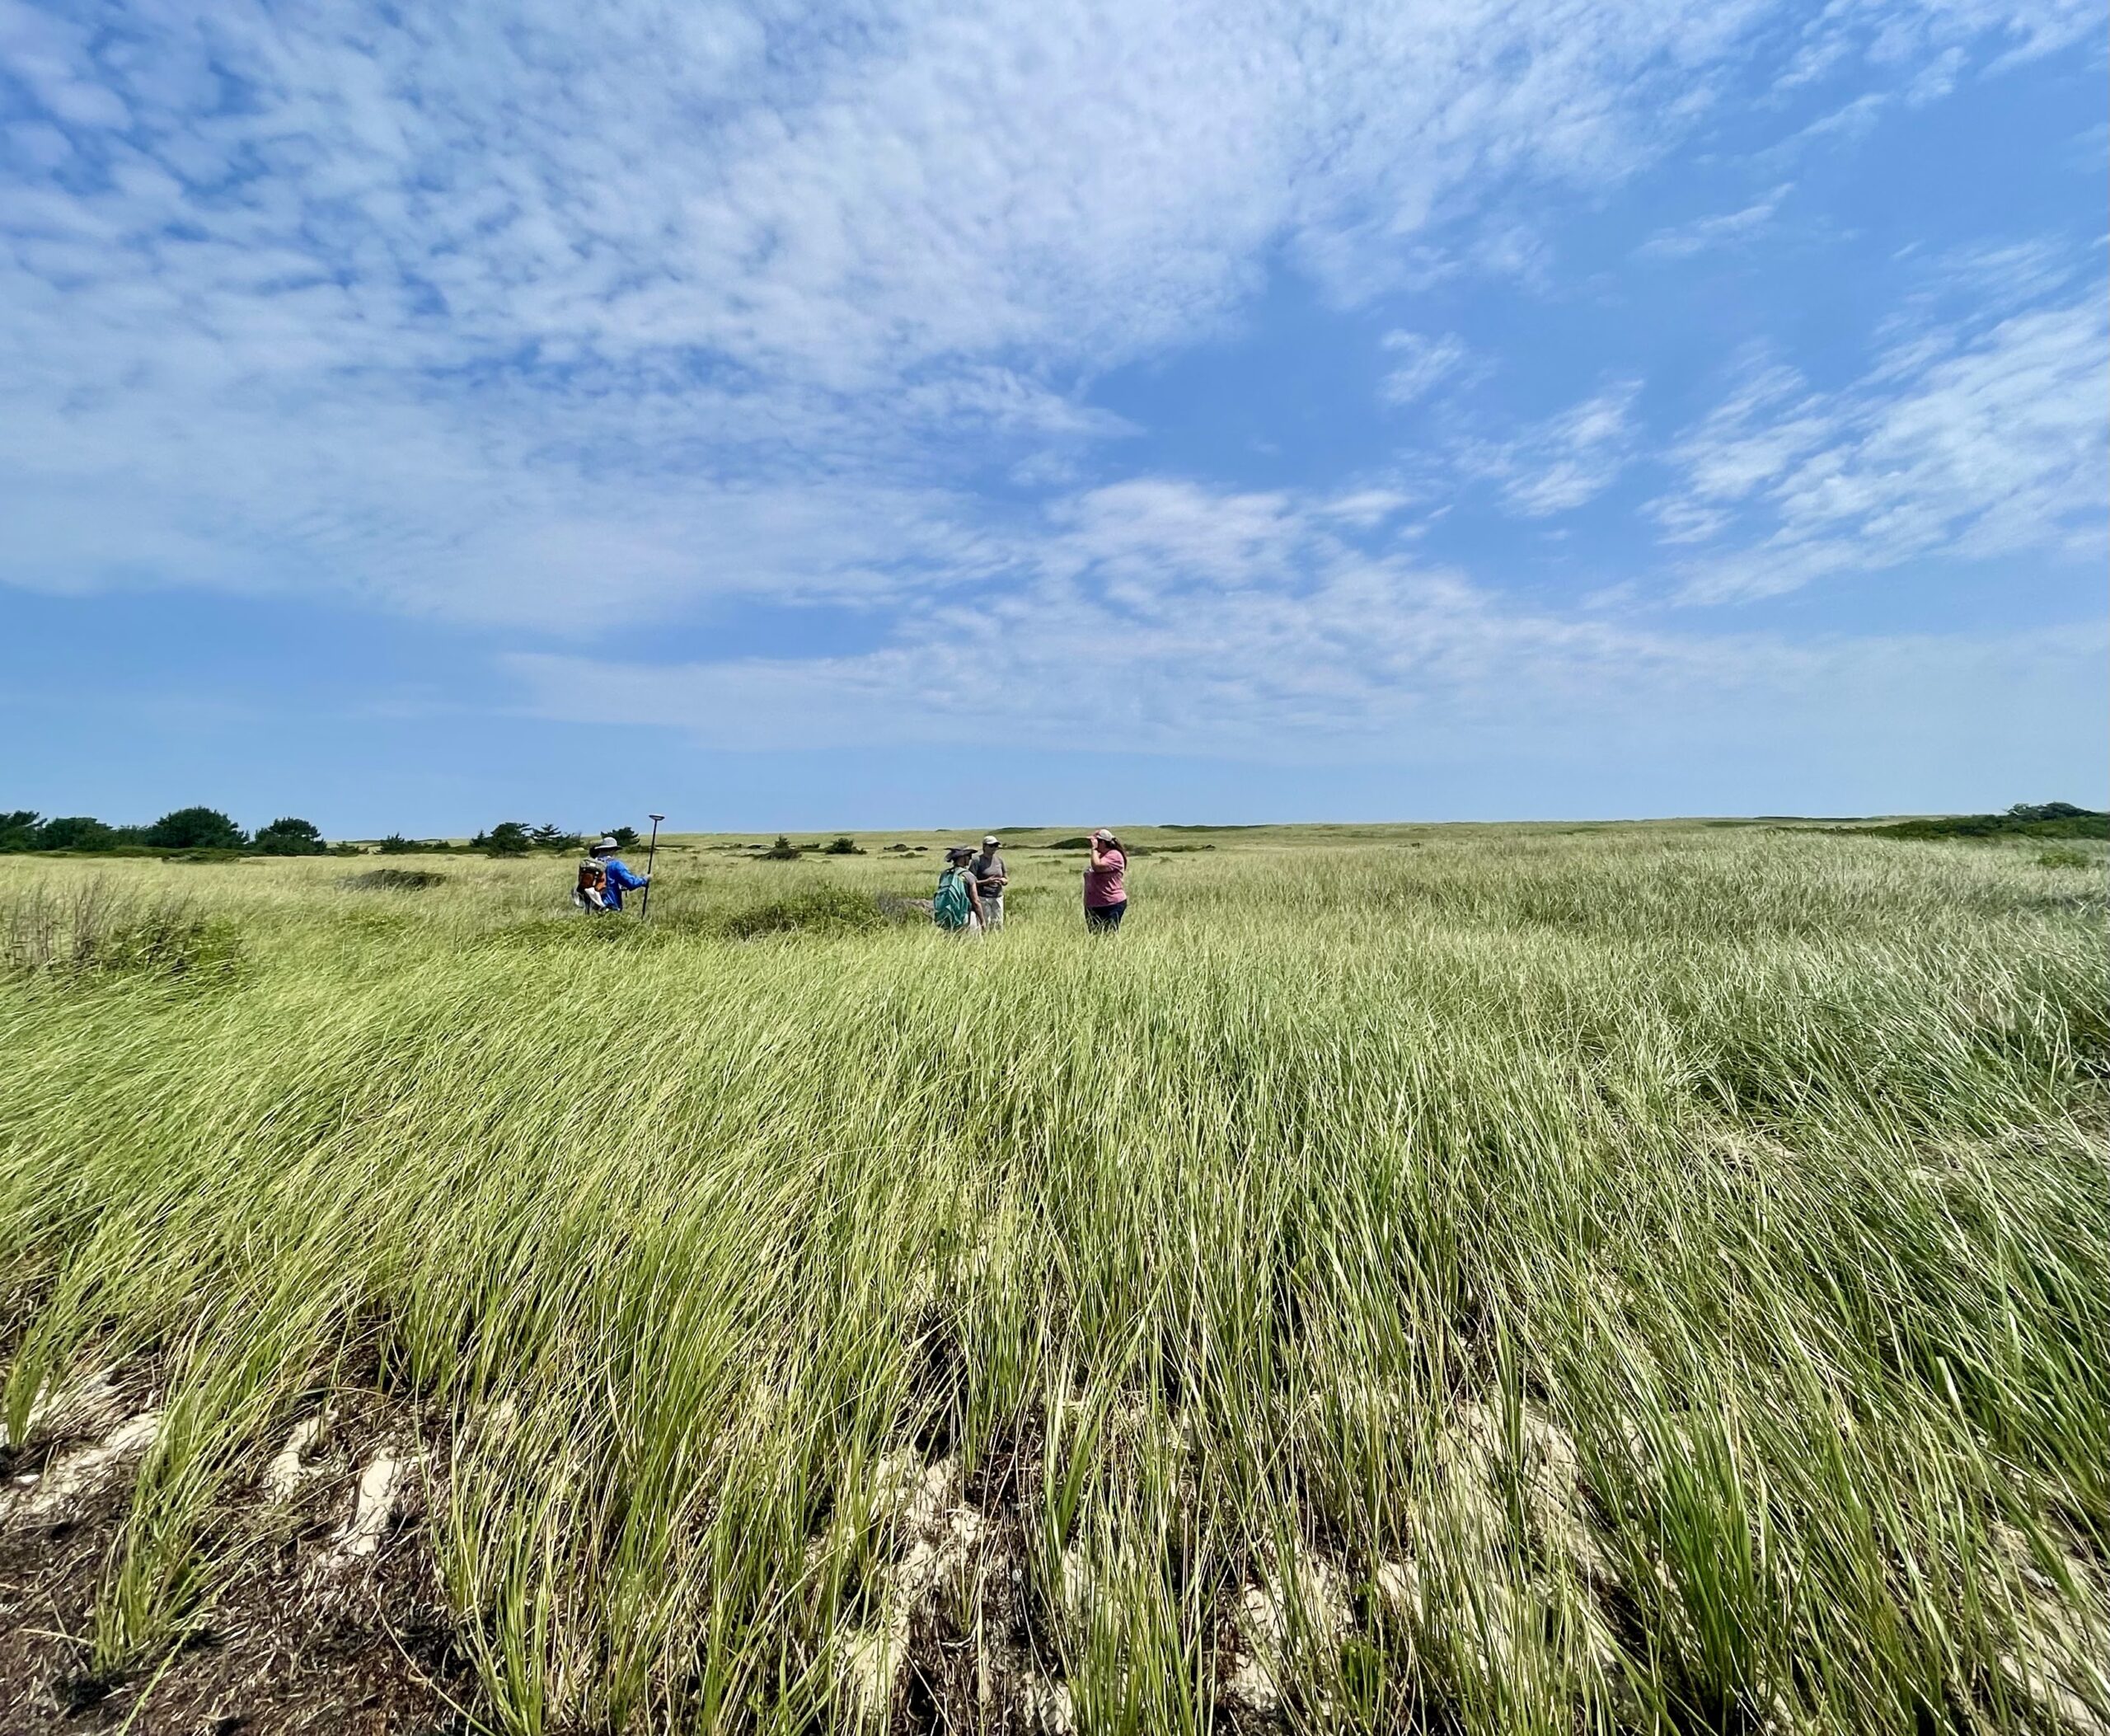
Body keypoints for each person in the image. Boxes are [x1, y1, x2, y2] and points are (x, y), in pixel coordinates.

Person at [934, 846, 986, 936]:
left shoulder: (945, 874)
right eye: (969, 855)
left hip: (949, 916)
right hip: (966, 915)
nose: (970, 858)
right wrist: (982, 921)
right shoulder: (968, 875)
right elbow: (976, 901)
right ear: (963, 857)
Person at [588, 835, 649, 912]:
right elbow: (631, 883)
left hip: (594, 906)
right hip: (610, 905)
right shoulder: (615, 865)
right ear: (613, 850)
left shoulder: (592, 864)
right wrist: (644, 880)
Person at [1082, 828, 1127, 932]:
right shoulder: (1099, 856)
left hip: (1111, 904)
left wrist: (1094, 850)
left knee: (1109, 935)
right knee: (1095, 938)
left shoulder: (1114, 855)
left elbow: (1097, 866)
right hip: (1093, 905)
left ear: (1102, 842)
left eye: (1095, 841)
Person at [968, 834, 1008, 931]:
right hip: (983, 896)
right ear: (984, 846)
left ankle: (997, 940)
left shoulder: (999, 860)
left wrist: (1004, 881)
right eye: (991, 845)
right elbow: (971, 881)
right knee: (986, 921)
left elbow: (1006, 877)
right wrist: (987, 881)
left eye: (996, 846)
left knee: (998, 921)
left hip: (998, 895)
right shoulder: (977, 860)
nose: (994, 848)